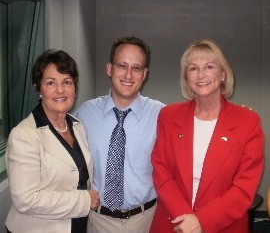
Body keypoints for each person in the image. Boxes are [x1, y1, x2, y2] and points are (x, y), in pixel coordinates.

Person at [150, 39, 264, 233]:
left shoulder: (248, 121)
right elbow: (161, 172)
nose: (201, 75)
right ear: (186, 77)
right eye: (193, 68)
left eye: (209, 66)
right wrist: (186, 219)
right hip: (173, 222)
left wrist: (201, 221)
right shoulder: (168, 116)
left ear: (222, 74)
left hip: (224, 225)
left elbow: (245, 187)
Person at [74, 36, 164, 233]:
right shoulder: (85, 114)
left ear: (145, 74)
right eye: (122, 65)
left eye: (137, 67)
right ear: (109, 69)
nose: (128, 74)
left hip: (146, 221)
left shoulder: (161, 115)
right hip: (98, 221)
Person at [5, 49, 99, 233]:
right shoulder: (24, 135)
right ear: (38, 87)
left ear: (75, 87)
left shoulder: (77, 126)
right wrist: (85, 200)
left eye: (67, 82)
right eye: (50, 83)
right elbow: (26, 199)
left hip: (76, 226)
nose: (60, 90)